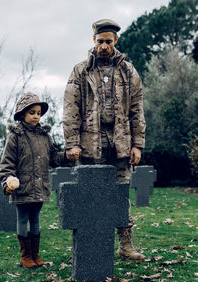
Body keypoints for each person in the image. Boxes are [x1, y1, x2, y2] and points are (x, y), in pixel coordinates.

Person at [63, 19, 146, 261]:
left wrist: (137, 144)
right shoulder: (80, 71)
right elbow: (71, 109)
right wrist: (72, 142)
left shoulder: (128, 71)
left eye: (108, 42)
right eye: (100, 41)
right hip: (90, 143)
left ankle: (125, 245)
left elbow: (137, 109)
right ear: (93, 40)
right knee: (89, 194)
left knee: (120, 194)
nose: (104, 46)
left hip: (121, 142)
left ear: (116, 41)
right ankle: (86, 244)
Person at [0, 92, 69, 268]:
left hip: (40, 186)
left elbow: (54, 158)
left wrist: (67, 156)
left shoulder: (45, 136)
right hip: (22, 187)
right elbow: (7, 163)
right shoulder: (15, 136)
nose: (36, 116)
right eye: (32, 112)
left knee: (36, 220)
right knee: (23, 219)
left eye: (38, 112)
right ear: (22, 114)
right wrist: (7, 181)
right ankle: (26, 256)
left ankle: (35, 255)